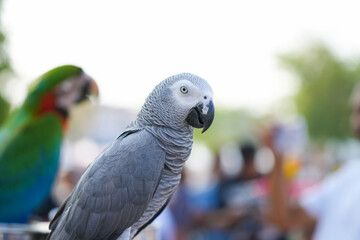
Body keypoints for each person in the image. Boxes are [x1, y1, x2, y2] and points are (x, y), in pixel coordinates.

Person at [266, 83, 360, 240]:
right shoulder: (349, 175)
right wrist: (278, 158)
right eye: (356, 112)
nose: (357, 122)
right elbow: (284, 218)